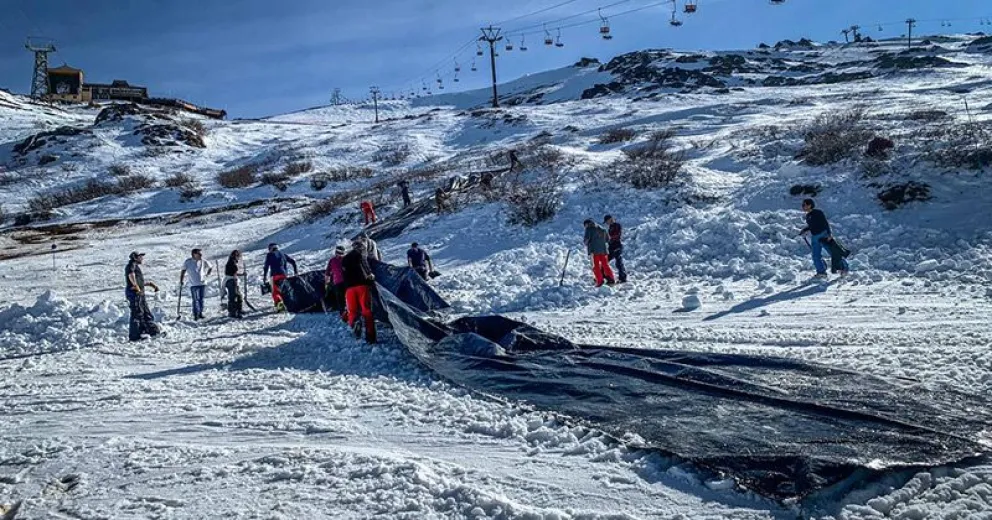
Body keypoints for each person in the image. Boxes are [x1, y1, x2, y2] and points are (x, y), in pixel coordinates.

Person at [799, 198, 849, 278]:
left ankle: (844, 268)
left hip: (823, 235)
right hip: (814, 237)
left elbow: (825, 223)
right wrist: (804, 230)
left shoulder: (818, 212)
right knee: (815, 255)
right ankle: (821, 272)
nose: (802, 207)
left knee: (833, 252)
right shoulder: (808, 216)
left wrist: (829, 234)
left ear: (810, 205)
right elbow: (812, 226)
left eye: (804, 205)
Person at [342, 239, 377, 344]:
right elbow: (364, 262)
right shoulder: (360, 253)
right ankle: (370, 337)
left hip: (349, 289)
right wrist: (370, 273)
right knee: (366, 310)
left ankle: (354, 323)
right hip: (361, 285)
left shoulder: (345, 258)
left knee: (352, 311)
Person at [125, 251, 160, 342]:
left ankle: (150, 331)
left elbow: (136, 280)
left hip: (139, 293)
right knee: (137, 314)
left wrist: (149, 284)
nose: (142, 258)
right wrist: (136, 286)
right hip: (135, 294)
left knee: (145, 313)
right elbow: (131, 275)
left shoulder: (135, 266)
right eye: (140, 257)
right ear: (135, 257)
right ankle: (134, 336)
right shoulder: (131, 265)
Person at [263, 243, 298, 311]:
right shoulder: (283, 254)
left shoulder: (269, 255)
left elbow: (266, 266)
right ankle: (286, 304)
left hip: (274, 275)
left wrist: (264, 276)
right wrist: (296, 272)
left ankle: (279, 306)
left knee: (275, 291)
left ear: (271, 248)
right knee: (283, 290)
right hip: (284, 275)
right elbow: (293, 262)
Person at [180, 248, 212, 320]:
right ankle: (196, 315)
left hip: (202, 283)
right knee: (195, 300)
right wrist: (181, 280)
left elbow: (210, 267)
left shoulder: (203, 261)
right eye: (199, 253)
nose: (201, 255)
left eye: (201, 254)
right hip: (193, 284)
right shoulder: (188, 262)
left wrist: (207, 275)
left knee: (201, 299)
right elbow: (183, 271)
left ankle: (200, 313)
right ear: (194, 254)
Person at [583, 219, 615, 287]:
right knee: (605, 265)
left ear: (587, 224)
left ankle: (600, 281)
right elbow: (607, 239)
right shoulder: (602, 229)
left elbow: (586, 240)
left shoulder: (589, 229)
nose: (585, 227)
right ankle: (611, 279)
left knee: (596, 266)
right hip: (603, 250)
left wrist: (587, 243)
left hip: (594, 251)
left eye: (585, 225)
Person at [603, 215, 628, 284]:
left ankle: (622, 278)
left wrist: (609, 238)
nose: (606, 223)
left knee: (618, 263)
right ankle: (604, 277)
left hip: (617, 246)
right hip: (611, 247)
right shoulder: (610, 227)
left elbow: (617, 235)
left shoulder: (617, 225)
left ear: (610, 219)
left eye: (607, 221)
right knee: (605, 261)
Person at [324, 245, 347, 318]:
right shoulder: (343, 259)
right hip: (342, 282)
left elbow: (327, 273)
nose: (337, 254)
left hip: (341, 282)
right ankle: (345, 314)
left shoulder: (334, 260)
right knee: (343, 299)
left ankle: (344, 314)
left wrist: (327, 283)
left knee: (342, 300)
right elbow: (327, 272)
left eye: (338, 252)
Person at [224, 250, 245, 319]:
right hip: (231, 281)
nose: (238, 258)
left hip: (232, 280)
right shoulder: (232, 262)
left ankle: (238, 310)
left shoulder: (232, 262)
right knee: (233, 296)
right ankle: (232, 312)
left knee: (238, 296)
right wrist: (242, 274)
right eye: (238, 256)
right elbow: (233, 274)